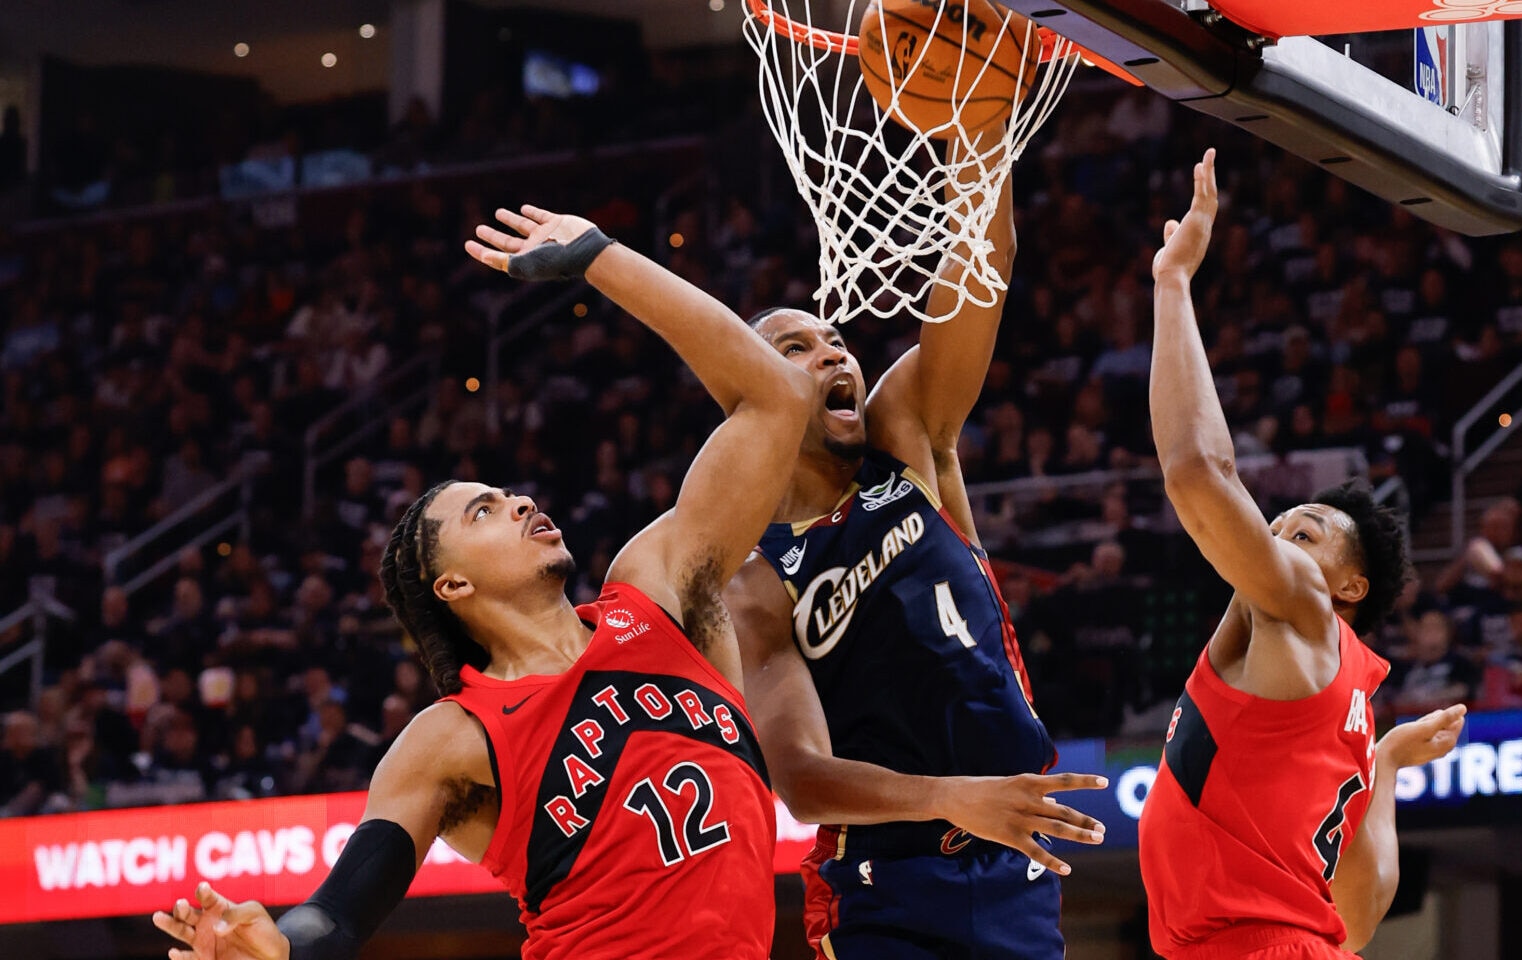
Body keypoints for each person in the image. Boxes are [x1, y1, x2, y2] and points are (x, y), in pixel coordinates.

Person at [152, 203, 817, 960]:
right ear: (453, 586)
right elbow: (338, 915)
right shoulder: (454, 735)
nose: (522, 502)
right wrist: (277, 948)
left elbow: (776, 400)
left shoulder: (657, 594)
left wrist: (600, 256)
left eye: (509, 495)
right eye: (484, 511)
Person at [724, 168, 1105, 960]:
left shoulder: (905, 440)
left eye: (835, 343)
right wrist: (946, 799)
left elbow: (979, 272)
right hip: (881, 879)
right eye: (796, 349)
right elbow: (797, 777)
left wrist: (984, 149)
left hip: (1012, 860)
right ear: (751, 393)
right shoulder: (753, 571)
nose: (832, 355)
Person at [1138, 148, 1468, 959]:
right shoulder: (1348, 708)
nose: (1279, 535)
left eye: (1305, 531)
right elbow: (1354, 919)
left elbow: (1195, 474)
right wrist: (1385, 766)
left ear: (1346, 585)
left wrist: (1173, 287)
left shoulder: (1301, 608)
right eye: (1280, 522)